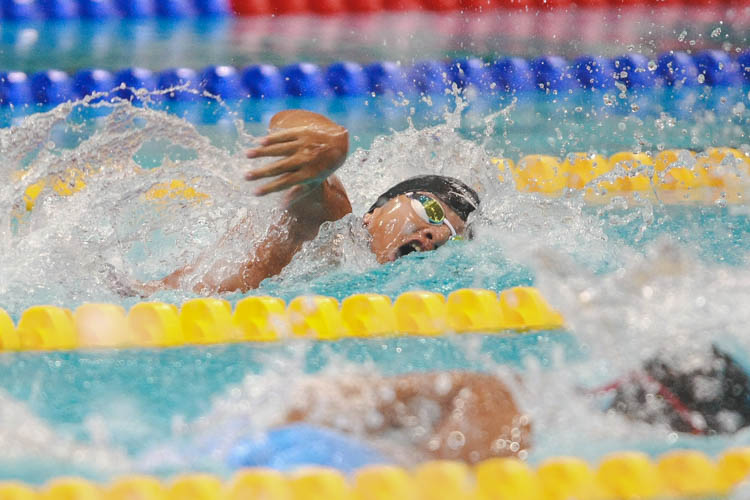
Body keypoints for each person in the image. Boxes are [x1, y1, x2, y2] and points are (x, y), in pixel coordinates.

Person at [127, 109, 479, 296]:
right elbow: (312, 180)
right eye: (431, 211)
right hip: (139, 306)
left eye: (451, 235)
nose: (435, 234)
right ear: (375, 213)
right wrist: (322, 145)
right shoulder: (335, 225)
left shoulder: (365, 281)